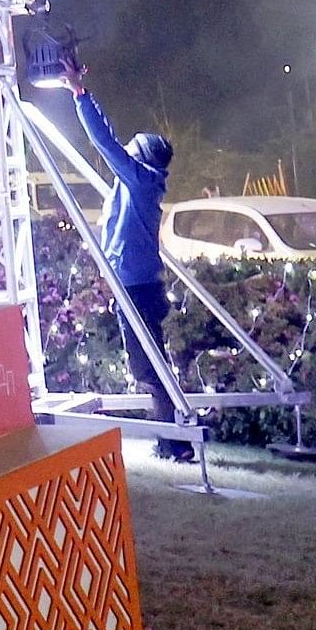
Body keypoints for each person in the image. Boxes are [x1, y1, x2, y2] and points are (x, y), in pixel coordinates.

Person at [65, 59, 192, 462]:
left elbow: (106, 143)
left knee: (149, 369)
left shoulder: (138, 181)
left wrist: (81, 95)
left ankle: (175, 441)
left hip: (135, 288)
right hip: (139, 285)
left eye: (133, 151)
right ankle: (173, 437)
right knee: (151, 365)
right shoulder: (140, 185)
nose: (127, 155)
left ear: (143, 159)